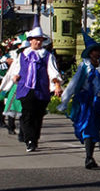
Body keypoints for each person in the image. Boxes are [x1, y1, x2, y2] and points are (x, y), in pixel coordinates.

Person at [58, 31, 100, 169]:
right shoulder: (84, 67)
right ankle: (89, 157)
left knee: (95, 127)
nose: (96, 54)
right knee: (87, 126)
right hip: (85, 101)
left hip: (99, 101)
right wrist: (64, 101)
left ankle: (90, 155)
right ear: (89, 54)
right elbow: (73, 84)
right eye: (93, 52)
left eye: (97, 51)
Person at [4, 24, 63, 152]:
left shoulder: (47, 55)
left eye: (40, 39)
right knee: (27, 114)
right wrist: (15, 77)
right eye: (35, 39)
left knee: (38, 115)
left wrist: (57, 85)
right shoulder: (23, 55)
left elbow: (52, 71)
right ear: (30, 40)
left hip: (41, 90)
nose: (37, 41)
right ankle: (29, 140)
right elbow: (15, 70)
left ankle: (34, 138)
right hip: (26, 89)